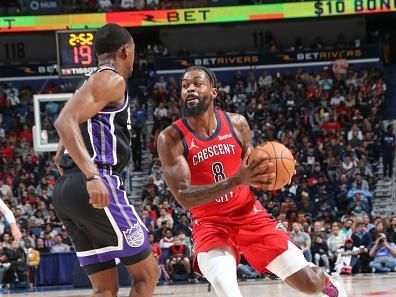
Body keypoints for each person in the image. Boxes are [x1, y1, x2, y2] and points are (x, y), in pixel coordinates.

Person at [157, 66, 346, 297]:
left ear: (214, 92)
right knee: (228, 290)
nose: (190, 89)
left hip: (249, 214)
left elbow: (252, 167)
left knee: (309, 283)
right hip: (209, 224)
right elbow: (184, 196)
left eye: (197, 83)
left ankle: (326, 280)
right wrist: (235, 180)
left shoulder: (237, 124)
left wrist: (275, 172)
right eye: (185, 86)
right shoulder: (170, 138)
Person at [52, 23, 159, 297]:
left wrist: (74, 165)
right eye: (134, 51)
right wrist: (92, 175)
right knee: (148, 274)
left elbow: (59, 151)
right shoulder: (110, 79)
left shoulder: (87, 81)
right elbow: (64, 121)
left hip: (66, 188)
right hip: (96, 181)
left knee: (104, 289)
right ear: (126, 50)